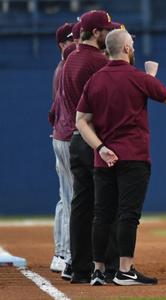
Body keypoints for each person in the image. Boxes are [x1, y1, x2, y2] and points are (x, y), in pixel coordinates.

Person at [76, 29, 166, 286]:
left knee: (101, 214)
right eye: (132, 44)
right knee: (128, 214)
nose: (133, 47)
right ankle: (125, 270)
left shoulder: (95, 80)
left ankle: (98, 270)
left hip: (103, 158)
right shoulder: (139, 77)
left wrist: (101, 147)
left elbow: (81, 121)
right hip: (134, 156)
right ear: (126, 48)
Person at [61, 9, 121, 284]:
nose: (108, 33)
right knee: (106, 206)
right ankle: (109, 267)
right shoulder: (98, 61)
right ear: (96, 32)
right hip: (96, 139)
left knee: (81, 206)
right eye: (106, 30)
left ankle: (80, 268)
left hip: (76, 139)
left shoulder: (70, 58)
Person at [49, 22, 74, 274]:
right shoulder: (66, 66)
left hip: (61, 133)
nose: (74, 43)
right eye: (69, 40)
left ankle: (60, 252)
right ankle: (65, 254)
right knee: (71, 200)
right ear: (61, 44)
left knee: (65, 198)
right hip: (66, 136)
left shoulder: (65, 66)